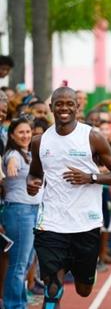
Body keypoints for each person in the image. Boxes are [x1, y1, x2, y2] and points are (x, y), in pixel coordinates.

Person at [27, 87, 111, 309]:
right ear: (51, 107)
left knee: (83, 290)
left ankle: (86, 272)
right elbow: (35, 173)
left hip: (85, 223)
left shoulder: (92, 137)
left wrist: (90, 177)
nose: (64, 108)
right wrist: (31, 183)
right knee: (52, 289)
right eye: (59, 104)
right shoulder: (39, 142)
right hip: (51, 223)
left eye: (69, 103)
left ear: (77, 107)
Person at [1, 118, 41, 309]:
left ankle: (19, 302)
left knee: (25, 263)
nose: (25, 135)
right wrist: (11, 165)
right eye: (21, 132)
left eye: (28, 131)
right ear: (12, 135)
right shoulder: (12, 154)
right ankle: (14, 305)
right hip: (19, 211)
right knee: (18, 264)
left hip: (35, 210)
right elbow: (11, 161)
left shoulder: (31, 153)